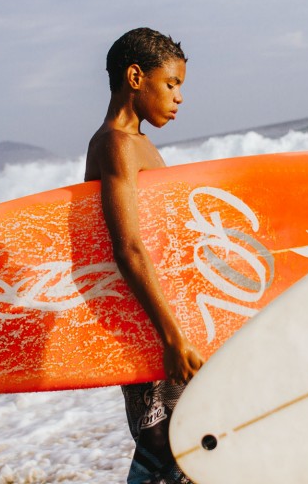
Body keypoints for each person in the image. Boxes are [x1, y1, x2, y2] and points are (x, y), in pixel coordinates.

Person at [85, 27, 204, 484]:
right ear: (136, 77)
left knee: (182, 450)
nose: (178, 98)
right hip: (151, 325)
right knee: (170, 451)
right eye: (171, 84)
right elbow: (128, 248)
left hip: (160, 317)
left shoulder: (136, 143)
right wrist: (172, 336)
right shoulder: (116, 144)